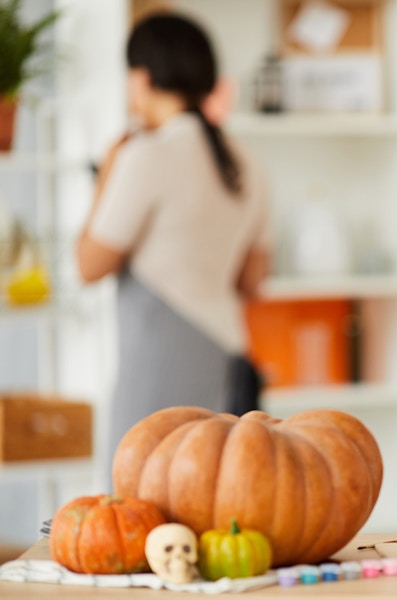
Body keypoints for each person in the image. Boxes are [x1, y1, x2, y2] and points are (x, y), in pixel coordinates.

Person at [76, 13, 270, 477]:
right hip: (227, 353)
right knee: (215, 496)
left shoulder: (144, 154)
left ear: (141, 78)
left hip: (159, 355)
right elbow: (252, 278)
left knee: (138, 494)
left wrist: (106, 177)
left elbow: (88, 264)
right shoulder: (248, 163)